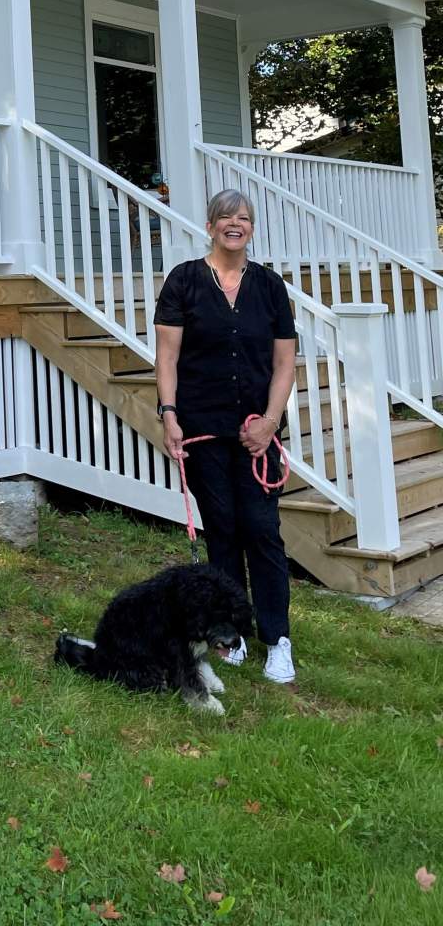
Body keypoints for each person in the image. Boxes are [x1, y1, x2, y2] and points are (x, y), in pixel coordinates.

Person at [154, 189, 298, 683]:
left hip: (260, 432)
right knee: (223, 530)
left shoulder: (270, 287)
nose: (234, 224)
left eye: (244, 218)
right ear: (211, 225)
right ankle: (230, 633)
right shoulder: (184, 281)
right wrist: (169, 415)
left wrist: (270, 421)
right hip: (202, 427)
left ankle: (277, 639)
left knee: (262, 530)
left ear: (251, 229)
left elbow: (284, 362)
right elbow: (168, 357)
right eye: (225, 217)